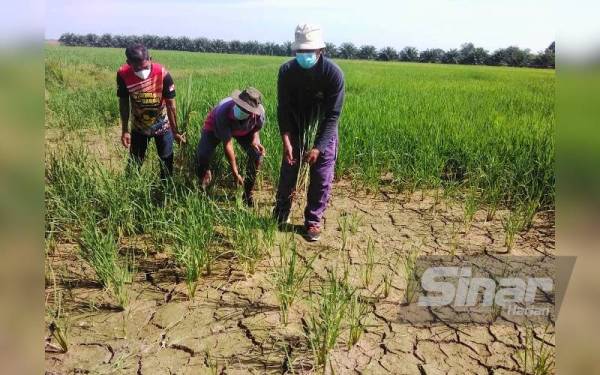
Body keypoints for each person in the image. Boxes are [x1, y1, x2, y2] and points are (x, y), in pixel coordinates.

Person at [273, 24, 345, 242]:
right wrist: (286, 139)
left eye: (309, 52)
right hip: (296, 125)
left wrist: (318, 147)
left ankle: (313, 219)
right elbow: (283, 108)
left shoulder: (333, 74)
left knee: (322, 176)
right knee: (289, 169)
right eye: (300, 52)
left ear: (320, 51)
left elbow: (332, 115)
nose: (304, 56)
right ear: (295, 51)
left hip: (323, 126)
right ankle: (281, 211)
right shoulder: (287, 72)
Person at [117, 43, 186, 180]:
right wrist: (125, 130)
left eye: (145, 66)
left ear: (150, 58)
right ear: (128, 63)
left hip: (162, 124)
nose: (142, 71)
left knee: (166, 161)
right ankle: (130, 189)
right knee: (135, 161)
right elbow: (124, 103)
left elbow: (171, 105)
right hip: (139, 126)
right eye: (137, 68)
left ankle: (165, 192)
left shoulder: (162, 74)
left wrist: (175, 131)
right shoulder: (123, 74)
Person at [195, 87, 266, 206]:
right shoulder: (223, 111)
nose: (241, 110)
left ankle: (247, 193)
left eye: (246, 110)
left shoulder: (259, 114)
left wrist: (255, 140)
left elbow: (256, 129)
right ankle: (203, 182)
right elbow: (227, 144)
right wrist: (235, 171)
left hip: (244, 131)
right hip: (215, 127)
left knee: (257, 156)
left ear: (252, 112)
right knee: (203, 154)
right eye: (240, 106)